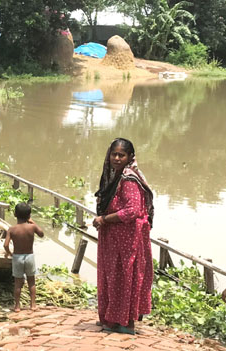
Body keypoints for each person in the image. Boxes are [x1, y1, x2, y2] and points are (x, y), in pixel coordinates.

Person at [92, 138, 154, 335]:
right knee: (113, 277)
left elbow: (132, 210)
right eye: (114, 154)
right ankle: (112, 318)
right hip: (115, 237)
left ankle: (123, 322)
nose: (117, 158)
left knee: (122, 277)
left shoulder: (128, 178)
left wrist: (104, 219)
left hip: (125, 239)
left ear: (129, 157)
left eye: (121, 155)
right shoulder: (116, 176)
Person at [3, 202, 44, 312]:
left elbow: (5, 245)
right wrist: (33, 222)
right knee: (31, 281)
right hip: (29, 256)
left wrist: (9, 253)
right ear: (29, 215)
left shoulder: (12, 229)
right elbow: (41, 234)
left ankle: (17, 306)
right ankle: (33, 304)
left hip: (17, 257)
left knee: (18, 283)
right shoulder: (32, 227)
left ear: (15, 214)